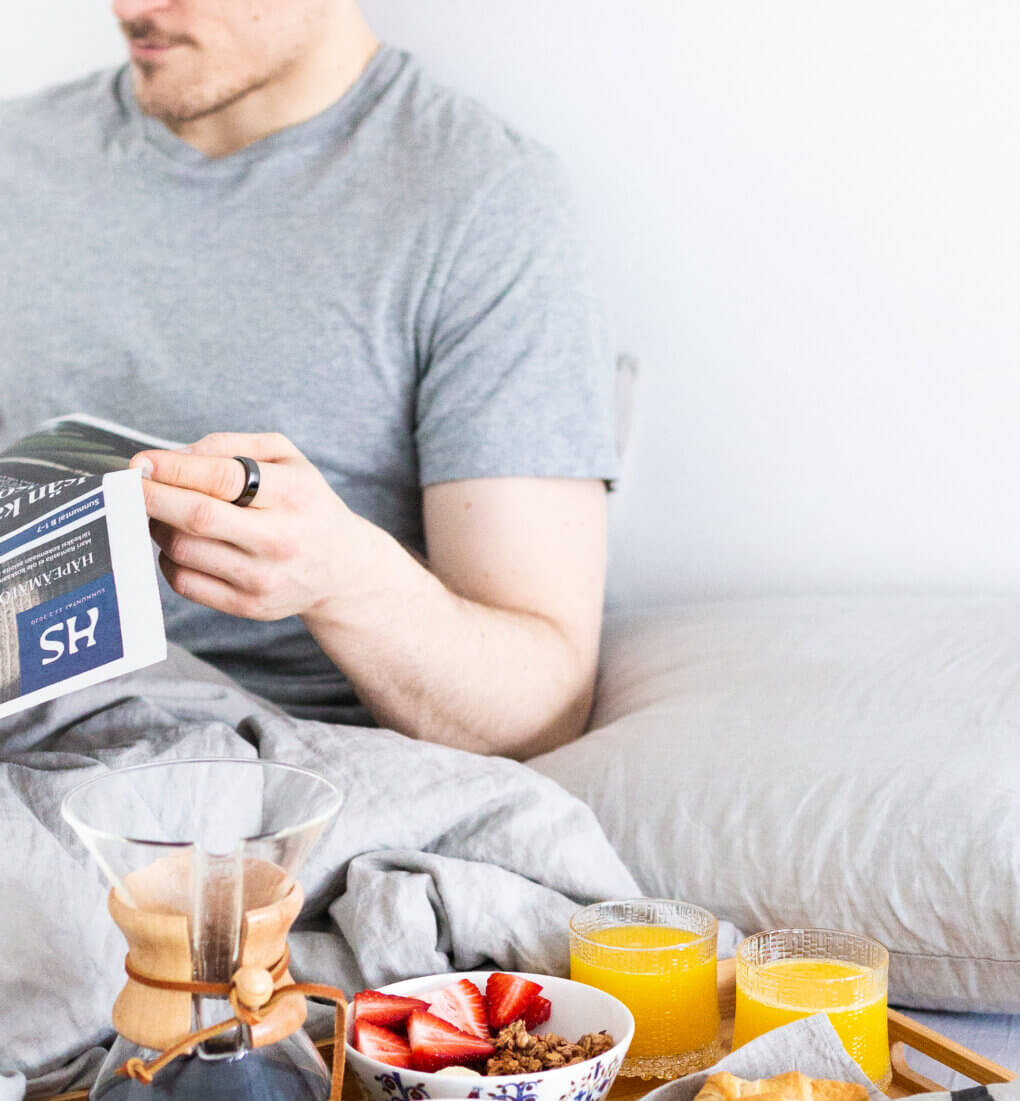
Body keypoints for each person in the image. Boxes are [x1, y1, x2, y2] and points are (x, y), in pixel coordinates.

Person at [0, 0, 619, 756]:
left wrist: (342, 578)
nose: (132, 7)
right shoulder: (16, 156)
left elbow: (540, 709)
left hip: (262, 765)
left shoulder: (482, 200)